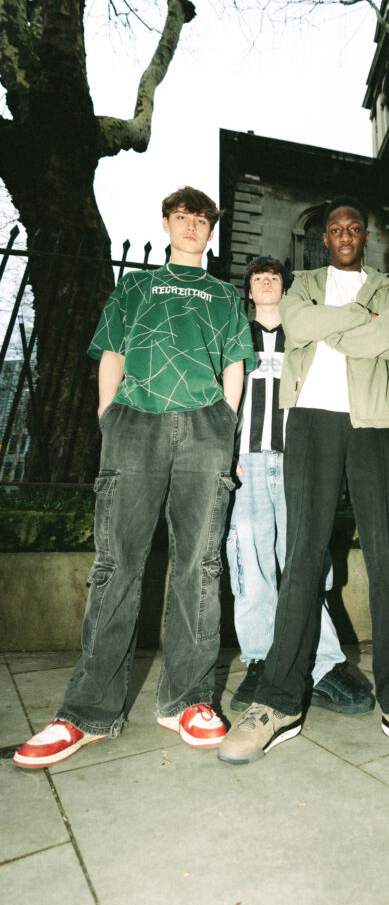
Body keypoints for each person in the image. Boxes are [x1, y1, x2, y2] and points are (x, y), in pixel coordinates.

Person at [14, 186, 257, 769]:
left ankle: (188, 700)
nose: (192, 226)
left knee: (200, 563)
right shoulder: (135, 287)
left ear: (211, 230)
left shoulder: (224, 294)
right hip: (136, 420)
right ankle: (86, 712)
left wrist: (224, 426)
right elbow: (111, 351)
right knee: (117, 562)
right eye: (182, 216)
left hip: (204, 425)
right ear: (166, 224)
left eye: (202, 219)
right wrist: (108, 414)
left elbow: (234, 363)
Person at [217, 196, 389, 770]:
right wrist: (357, 321)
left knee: (387, 557)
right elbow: (299, 324)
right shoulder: (302, 285)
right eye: (335, 229)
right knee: (301, 557)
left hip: (378, 425)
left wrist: (334, 327)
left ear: (365, 235)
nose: (345, 234)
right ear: (324, 238)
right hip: (311, 423)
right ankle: (278, 701)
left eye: (354, 227)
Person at [225, 255, 373, 715]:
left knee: (305, 563)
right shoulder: (234, 336)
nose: (266, 283)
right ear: (249, 290)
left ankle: (323, 665)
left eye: (274, 277)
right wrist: (225, 453)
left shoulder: (303, 335)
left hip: (298, 462)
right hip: (247, 464)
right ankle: (260, 660)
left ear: (285, 289)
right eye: (258, 278)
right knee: (251, 563)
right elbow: (221, 397)